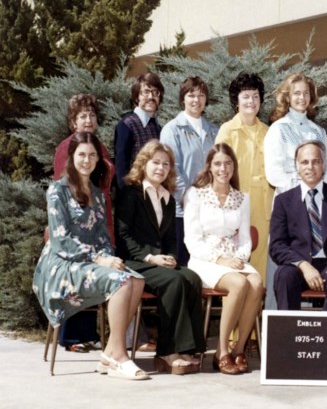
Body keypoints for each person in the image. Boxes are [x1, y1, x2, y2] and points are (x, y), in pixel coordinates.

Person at [33, 132, 148, 380]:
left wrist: (107, 258)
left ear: (98, 159)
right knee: (122, 282)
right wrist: (99, 259)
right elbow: (60, 239)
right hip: (62, 263)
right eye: (82, 154)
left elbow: (102, 238)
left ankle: (110, 352)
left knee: (136, 280)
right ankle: (119, 358)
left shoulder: (97, 194)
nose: (87, 160)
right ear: (71, 156)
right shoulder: (57, 190)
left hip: (91, 261)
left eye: (92, 155)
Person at [116, 140, 204, 375]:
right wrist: (150, 258)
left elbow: (171, 239)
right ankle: (166, 352)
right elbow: (123, 236)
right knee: (174, 281)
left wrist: (172, 257)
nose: (161, 168)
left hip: (159, 261)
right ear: (144, 164)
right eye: (156, 162)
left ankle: (188, 349)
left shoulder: (168, 199)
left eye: (166, 164)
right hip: (134, 262)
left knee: (192, 278)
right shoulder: (130, 193)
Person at [184, 143, 264, 375]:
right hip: (204, 259)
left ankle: (238, 349)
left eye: (228, 163)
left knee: (256, 282)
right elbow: (192, 240)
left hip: (233, 258)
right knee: (239, 283)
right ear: (209, 166)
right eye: (218, 163)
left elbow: (245, 239)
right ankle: (221, 350)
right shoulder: (195, 194)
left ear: (234, 167)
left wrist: (238, 258)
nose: (223, 169)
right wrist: (220, 259)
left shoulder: (242, 198)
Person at [263, 72, 327, 309]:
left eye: (306, 93)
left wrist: (320, 197)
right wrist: (303, 190)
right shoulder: (278, 129)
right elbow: (274, 173)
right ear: (287, 97)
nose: (302, 98)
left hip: (317, 207)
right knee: (285, 270)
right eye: (296, 93)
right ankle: (279, 323)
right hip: (290, 204)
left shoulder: (318, 131)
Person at [52, 93, 115, 353]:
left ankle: (89, 333)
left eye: (92, 115)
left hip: (99, 217)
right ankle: (71, 337)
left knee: (99, 273)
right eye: (82, 116)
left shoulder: (100, 147)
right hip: (74, 226)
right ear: (73, 122)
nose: (88, 120)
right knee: (79, 272)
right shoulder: (66, 147)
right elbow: (63, 186)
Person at [269, 140, 327, 311]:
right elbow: (277, 245)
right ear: (297, 166)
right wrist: (303, 265)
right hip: (297, 266)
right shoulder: (283, 201)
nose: (310, 167)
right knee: (283, 275)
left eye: (316, 161)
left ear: (324, 164)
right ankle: (289, 328)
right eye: (305, 162)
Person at [216, 72, 272, 281]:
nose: (251, 101)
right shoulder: (227, 130)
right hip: (235, 204)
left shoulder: (268, 131)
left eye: (255, 96)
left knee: (260, 259)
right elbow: (219, 169)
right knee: (235, 256)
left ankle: (258, 301)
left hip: (264, 206)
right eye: (246, 96)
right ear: (236, 101)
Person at [160, 76, 219, 266]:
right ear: (183, 98)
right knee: (184, 267)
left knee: (208, 266)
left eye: (201, 95)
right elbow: (172, 169)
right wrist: (190, 200)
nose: (196, 100)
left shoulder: (214, 131)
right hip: (181, 212)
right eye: (191, 95)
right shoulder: (171, 130)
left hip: (210, 211)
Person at [114, 73, 164, 189]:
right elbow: (122, 168)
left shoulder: (157, 127)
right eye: (146, 92)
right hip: (134, 193)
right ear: (137, 97)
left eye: (155, 92)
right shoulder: (127, 125)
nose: (151, 97)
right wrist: (127, 195)